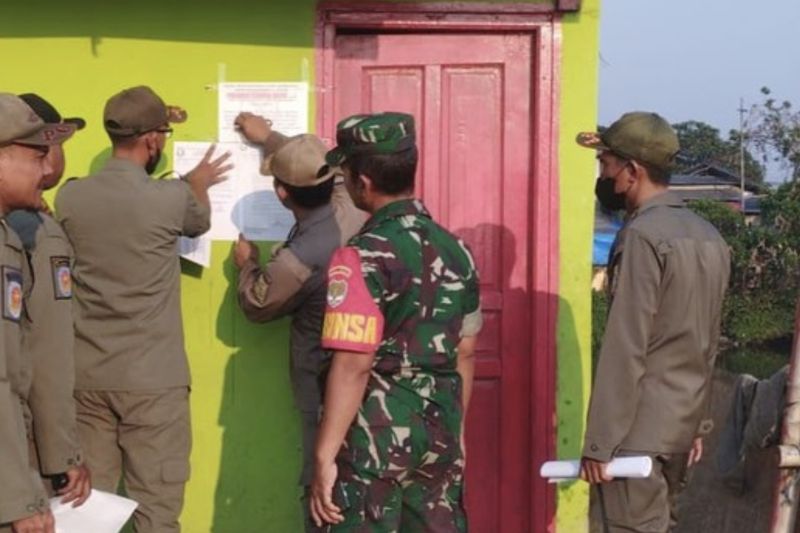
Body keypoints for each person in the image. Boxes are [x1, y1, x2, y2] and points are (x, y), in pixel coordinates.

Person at [54, 86, 231, 533]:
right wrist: (197, 182)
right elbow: (199, 221)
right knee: (156, 508)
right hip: (154, 381)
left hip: (88, 376)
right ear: (153, 141)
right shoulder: (169, 198)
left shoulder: (71, 198)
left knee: (86, 510)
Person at [308, 112, 483, 531]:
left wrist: (324, 456)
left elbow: (354, 363)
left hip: (375, 436)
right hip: (440, 426)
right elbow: (466, 349)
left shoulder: (359, 257)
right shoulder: (456, 249)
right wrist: (455, 433)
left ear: (361, 181)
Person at [576, 112, 730, 532]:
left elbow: (626, 345)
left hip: (635, 432)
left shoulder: (643, 235)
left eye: (606, 165)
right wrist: (697, 424)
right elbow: (706, 341)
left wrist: (599, 444)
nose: (604, 176)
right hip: (679, 430)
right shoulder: (709, 236)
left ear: (632, 171)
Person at [231, 112, 365, 532]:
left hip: (326, 385)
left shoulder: (301, 256)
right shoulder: (351, 206)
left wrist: (246, 265)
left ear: (281, 193)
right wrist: (269, 138)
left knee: (323, 493)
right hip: (370, 379)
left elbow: (258, 304)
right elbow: (321, 170)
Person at [6, 93, 91, 508]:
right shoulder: (34, 231)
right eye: (43, 150)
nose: (50, 163)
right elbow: (45, 350)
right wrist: (62, 455)